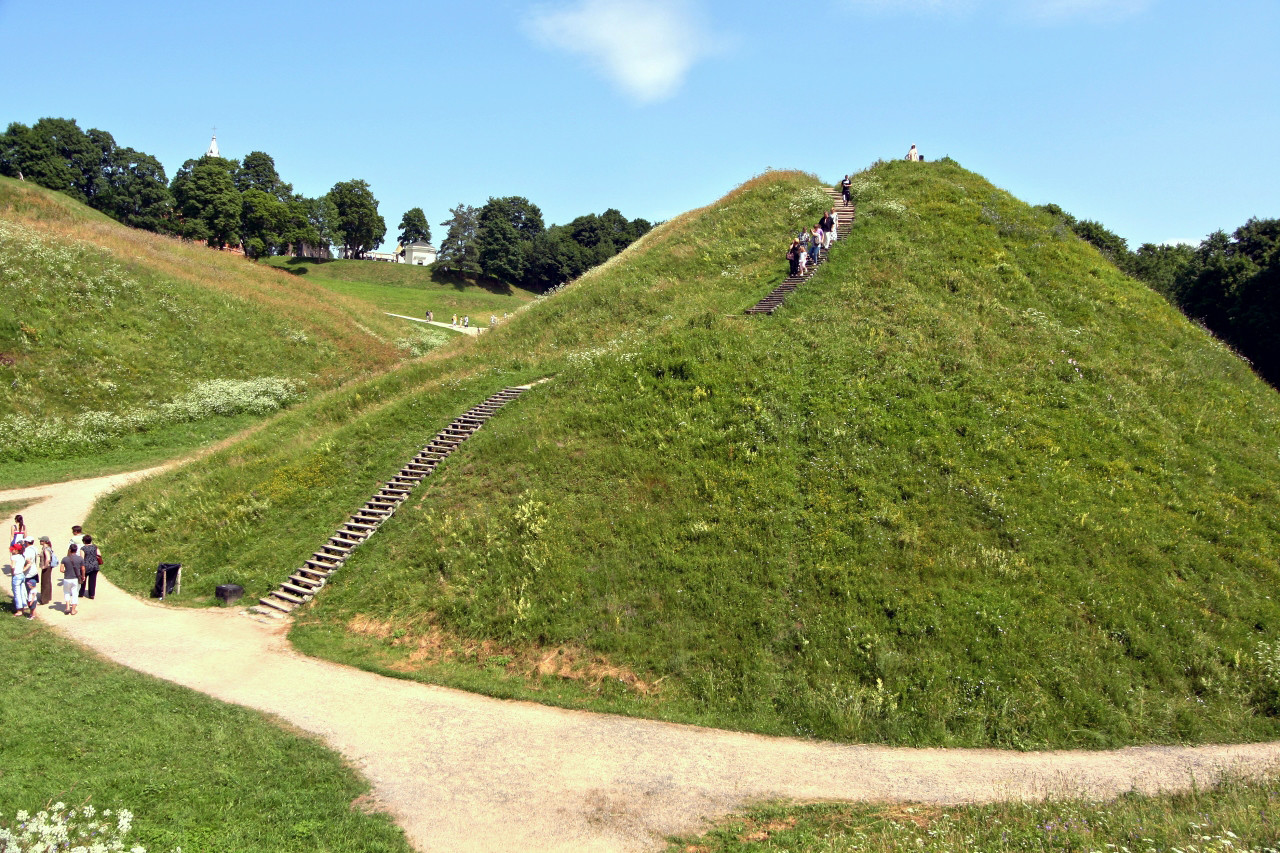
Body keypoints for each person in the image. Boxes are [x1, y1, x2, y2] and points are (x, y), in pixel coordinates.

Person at [60, 544, 84, 615]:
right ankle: (73, 610)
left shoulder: (65, 559)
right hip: (75, 579)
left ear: (70, 550)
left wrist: (66, 571)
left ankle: (67, 607)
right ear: (76, 550)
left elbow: (61, 570)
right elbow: (83, 568)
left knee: (66, 592)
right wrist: (83, 576)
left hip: (67, 578)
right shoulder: (80, 559)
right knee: (75, 593)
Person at [80, 534, 103, 600]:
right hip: (95, 565)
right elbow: (99, 554)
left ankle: (81, 593)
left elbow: (82, 558)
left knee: (83, 578)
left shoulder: (83, 548)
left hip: (86, 565)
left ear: (84, 541)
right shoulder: (95, 547)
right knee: (93, 580)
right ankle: (91, 594)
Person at [10, 540, 30, 616]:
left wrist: (12, 572)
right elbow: (29, 563)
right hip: (21, 575)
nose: (11, 550)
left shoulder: (14, 557)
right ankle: (23, 607)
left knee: (17, 593)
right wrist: (23, 570)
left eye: (13, 549)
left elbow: (13, 566)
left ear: (16, 550)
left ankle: (19, 610)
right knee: (22, 592)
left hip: (16, 576)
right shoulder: (22, 556)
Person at [37, 536, 55, 606]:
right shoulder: (48, 548)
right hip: (49, 567)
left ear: (44, 541)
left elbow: (47, 559)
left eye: (41, 540)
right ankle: (48, 597)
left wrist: (44, 566)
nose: (40, 541)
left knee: (44, 583)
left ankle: (44, 600)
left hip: (46, 567)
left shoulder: (45, 549)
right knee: (47, 582)